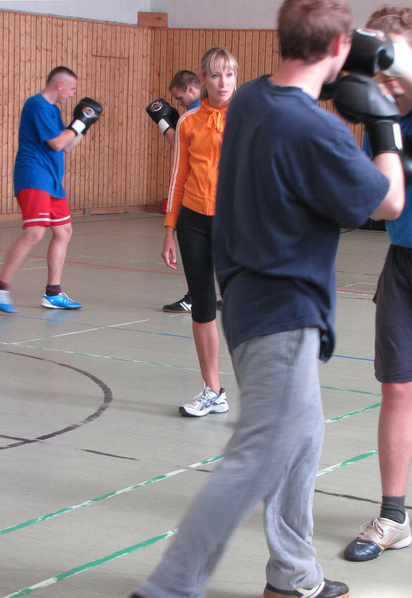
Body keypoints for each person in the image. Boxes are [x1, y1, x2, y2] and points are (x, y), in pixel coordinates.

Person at [129, 1, 405, 596]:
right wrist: (384, 121)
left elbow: (291, 97)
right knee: (255, 457)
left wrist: (334, 71)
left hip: (257, 305)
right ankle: (169, 587)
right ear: (337, 51)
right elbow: (389, 202)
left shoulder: (252, 98)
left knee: (302, 442)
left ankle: (292, 574)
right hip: (282, 315)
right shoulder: (315, 129)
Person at [343, 4, 412, 563]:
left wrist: (377, 51)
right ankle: (393, 516)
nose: (383, 63)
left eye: (395, 50)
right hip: (405, 267)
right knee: (397, 391)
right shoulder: (378, 112)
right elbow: (374, 199)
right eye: (378, 51)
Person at [159, 47, 238, 417]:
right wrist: (169, 229)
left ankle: (261, 393)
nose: (224, 83)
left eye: (230, 75)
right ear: (203, 80)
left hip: (233, 222)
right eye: (216, 75)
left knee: (245, 306)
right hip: (193, 221)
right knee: (203, 305)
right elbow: (178, 178)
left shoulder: (248, 119)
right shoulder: (188, 123)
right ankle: (213, 390)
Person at [0, 66, 101, 313]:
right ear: (59, 85)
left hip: (52, 182)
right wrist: (79, 121)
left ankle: (53, 293)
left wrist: (85, 124)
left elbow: (69, 146)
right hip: (34, 177)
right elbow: (56, 142)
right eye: (71, 88)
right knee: (35, 233)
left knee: (64, 231)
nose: (73, 94)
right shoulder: (37, 105)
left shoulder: (53, 110)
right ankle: (0, 287)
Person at [147, 70, 223, 315]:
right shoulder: (192, 117)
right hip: (197, 205)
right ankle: (200, 296)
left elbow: (177, 146)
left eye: (179, 97)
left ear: (191, 89)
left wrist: (162, 122)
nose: (178, 102)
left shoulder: (198, 115)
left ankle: (198, 296)